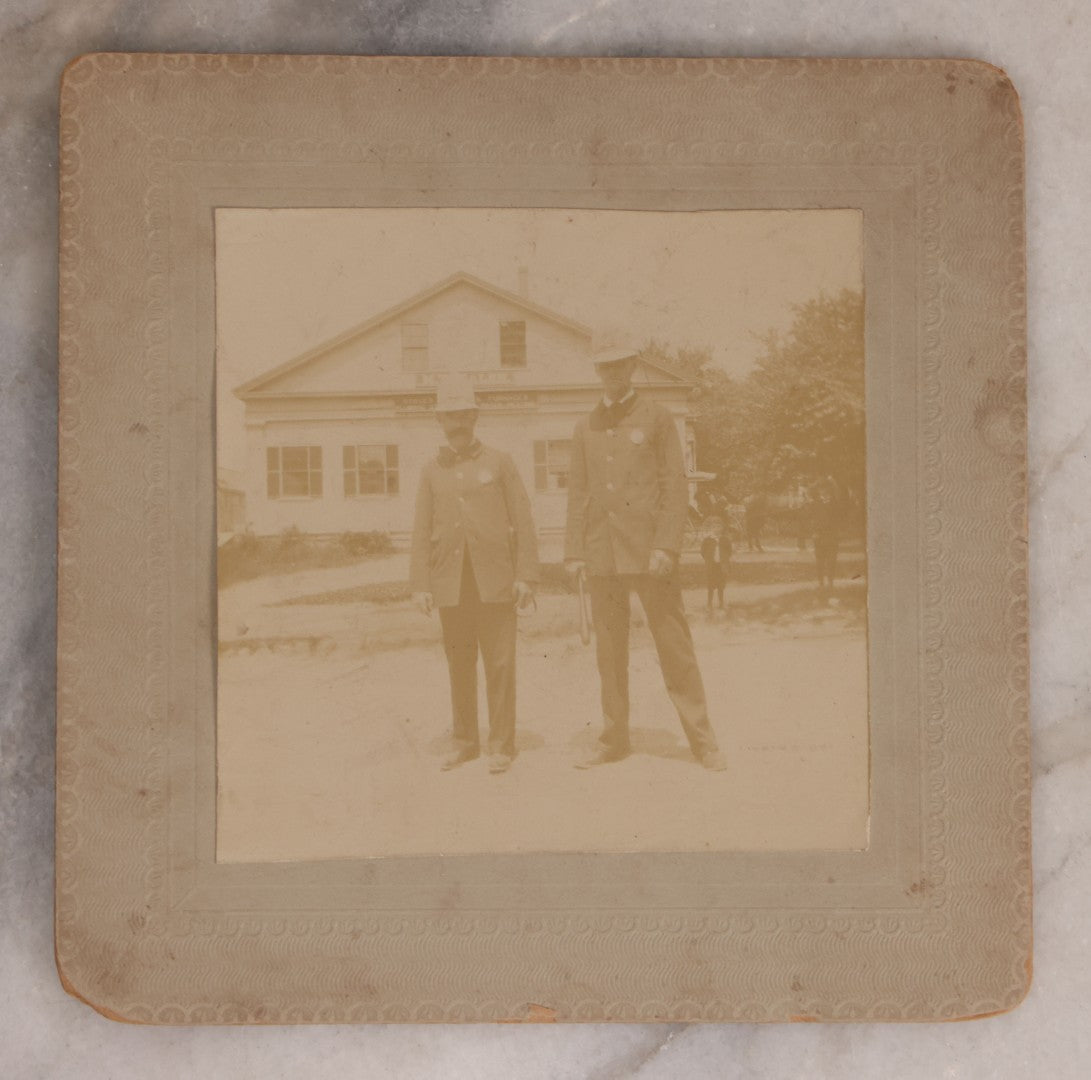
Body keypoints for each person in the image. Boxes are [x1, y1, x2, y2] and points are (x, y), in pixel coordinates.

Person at [564, 344, 726, 771]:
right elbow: (578, 494)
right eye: (604, 365)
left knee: (674, 647)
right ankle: (614, 738)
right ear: (597, 369)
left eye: (619, 363)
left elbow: (675, 485)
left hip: (651, 554)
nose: (612, 372)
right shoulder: (585, 426)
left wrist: (666, 545)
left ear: (633, 366)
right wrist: (575, 552)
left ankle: (703, 740)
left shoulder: (656, 418)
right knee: (609, 653)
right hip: (603, 555)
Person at [409, 377, 539, 774]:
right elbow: (421, 528)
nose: (458, 422)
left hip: (495, 581)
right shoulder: (432, 470)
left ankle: (501, 745)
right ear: (439, 420)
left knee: (500, 664)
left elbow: (523, 518)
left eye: (464, 414)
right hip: (452, 584)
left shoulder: (499, 462)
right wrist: (420, 584)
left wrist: (526, 575)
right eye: (450, 415)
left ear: (475, 417)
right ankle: (465, 741)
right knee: (459, 665)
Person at [810, 476, 841, 594]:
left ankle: (830, 583)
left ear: (830, 490)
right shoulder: (815, 504)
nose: (824, 491)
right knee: (820, 560)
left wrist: (832, 481)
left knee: (832, 560)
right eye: (821, 489)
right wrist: (814, 532)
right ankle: (821, 583)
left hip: (832, 535)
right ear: (818, 491)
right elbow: (812, 520)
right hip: (819, 536)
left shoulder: (835, 503)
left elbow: (839, 517)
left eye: (826, 489)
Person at [700, 516, 731, 610]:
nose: (717, 529)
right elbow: (702, 551)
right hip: (711, 566)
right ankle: (709, 603)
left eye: (719, 527)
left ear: (722, 528)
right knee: (710, 585)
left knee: (721, 585)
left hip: (721, 566)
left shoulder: (725, 540)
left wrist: (724, 559)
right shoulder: (707, 540)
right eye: (714, 527)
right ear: (710, 529)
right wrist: (708, 559)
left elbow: (729, 551)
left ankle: (721, 603)